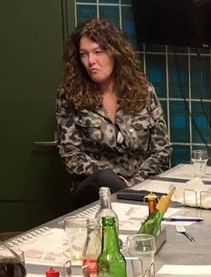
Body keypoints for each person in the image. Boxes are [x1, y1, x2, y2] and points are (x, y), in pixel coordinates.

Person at [55, 18, 171, 208]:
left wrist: (133, 183)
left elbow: (162, 149)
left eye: (98, 52)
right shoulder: (69, 96)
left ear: (115, 53)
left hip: (141, 188)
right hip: (94, 193)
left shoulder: (143, 91)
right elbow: (70, 155)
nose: (91, 61)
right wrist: (114, 179)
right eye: (84, 54)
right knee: (105, 178)